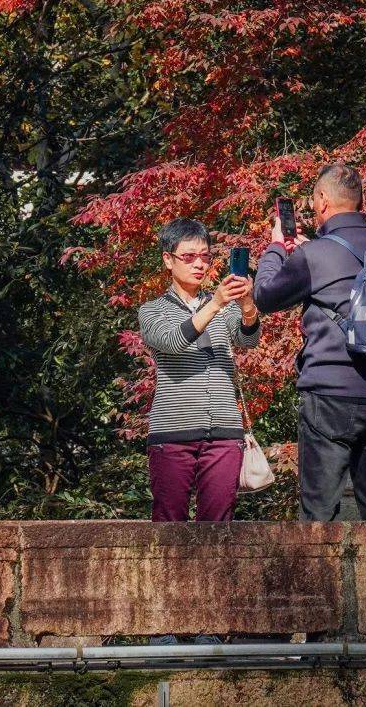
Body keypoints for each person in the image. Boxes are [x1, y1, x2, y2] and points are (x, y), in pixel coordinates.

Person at [253, 164, 366, 522]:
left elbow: (264, 296)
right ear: (360, 200)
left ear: (322, 200)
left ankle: (318, 581)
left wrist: (277, 246)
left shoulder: (314, 255)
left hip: (329, 396)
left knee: (318, 515)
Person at [138, 217, 260, 522]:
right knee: (169, 525)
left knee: (219, 527)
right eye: (189, 257)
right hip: (172, 432)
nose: (199, 265)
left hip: (224, 431)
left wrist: (247, 304)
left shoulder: (225, 306)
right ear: (168, 259)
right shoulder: (152, 310)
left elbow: (249, 339)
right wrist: (215, 304)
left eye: (205, 257)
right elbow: (172, 341)